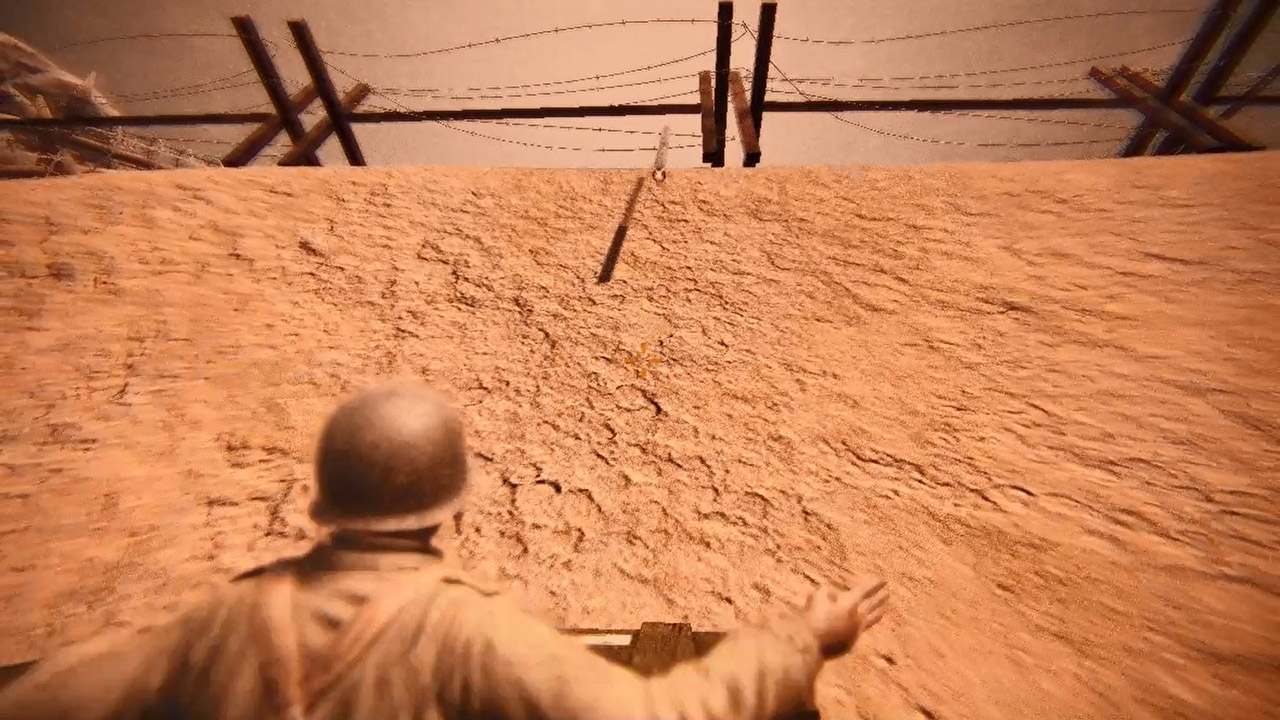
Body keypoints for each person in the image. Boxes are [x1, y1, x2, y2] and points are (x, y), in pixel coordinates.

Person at [0, 380, 890, 720]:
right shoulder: (464, 632)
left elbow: (47, 696)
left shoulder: (221, 619)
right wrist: (800, 641)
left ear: (326, 499)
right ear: (449, 504)